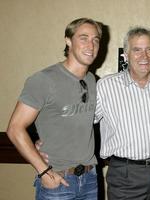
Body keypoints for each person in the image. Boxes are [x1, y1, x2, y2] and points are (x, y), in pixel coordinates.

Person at [6, 17, 102, 200]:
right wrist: (45, 172)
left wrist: (37, 140)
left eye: (96, 39)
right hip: (58, 180)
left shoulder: (92, 80)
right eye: (83, 38)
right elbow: (15, 128)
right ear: (68, 41)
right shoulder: (44, 80)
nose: (91, 45)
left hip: (90, 179)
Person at [94, 26, 150, 200]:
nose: (144, 56)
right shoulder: (106, 86)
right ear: (126, 54)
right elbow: (82, 122)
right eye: (137, 50)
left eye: (149, 49)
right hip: (126, 174)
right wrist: (48, 142)